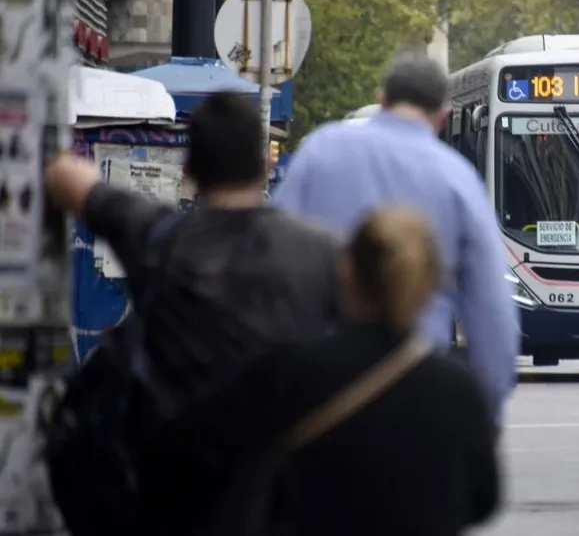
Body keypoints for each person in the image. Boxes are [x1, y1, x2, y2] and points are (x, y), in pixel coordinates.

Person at [144, 207, 500, 536]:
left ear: (346, 271)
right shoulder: (459, 391)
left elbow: (188, 446)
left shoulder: (291, 372)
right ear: (428, 289)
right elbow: (483, 500)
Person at [272, 49, 519, 424]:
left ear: (382, 100)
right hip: (419, 393)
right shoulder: (458, 179)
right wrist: (486, 411)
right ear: (443, 116)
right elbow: (491, 310)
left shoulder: (320, 151)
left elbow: (274, 260)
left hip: (322, 394)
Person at [44, 92, 342, 396]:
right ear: (265, 165)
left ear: (188, 168)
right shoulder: (322, 251)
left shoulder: (156, 237)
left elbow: (71, 180)